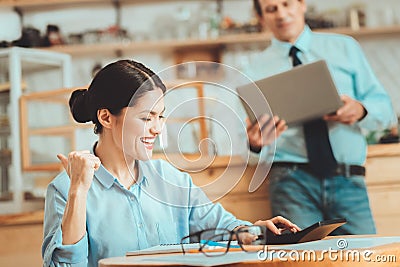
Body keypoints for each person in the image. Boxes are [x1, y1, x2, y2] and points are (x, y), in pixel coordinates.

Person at [42, 59, 300, 267]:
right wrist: (78, 191)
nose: (157, 129)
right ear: (106, 118)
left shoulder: (170, 178)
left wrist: (255, 231)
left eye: (161, 116)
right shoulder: (66, 189)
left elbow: (221, 228)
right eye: (146, 118)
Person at [246, 0, 396, 235]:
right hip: (290, 181)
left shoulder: (346, 48)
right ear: (261, 17)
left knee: (364, 258)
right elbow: (243, 138)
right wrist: (254, 143)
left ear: (302, 4)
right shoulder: (252, 68)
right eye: (271, 9)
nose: (281, 14)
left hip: (348, 179)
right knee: (303, 260)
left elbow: (386, 111)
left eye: (286, 4)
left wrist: (360, 110)